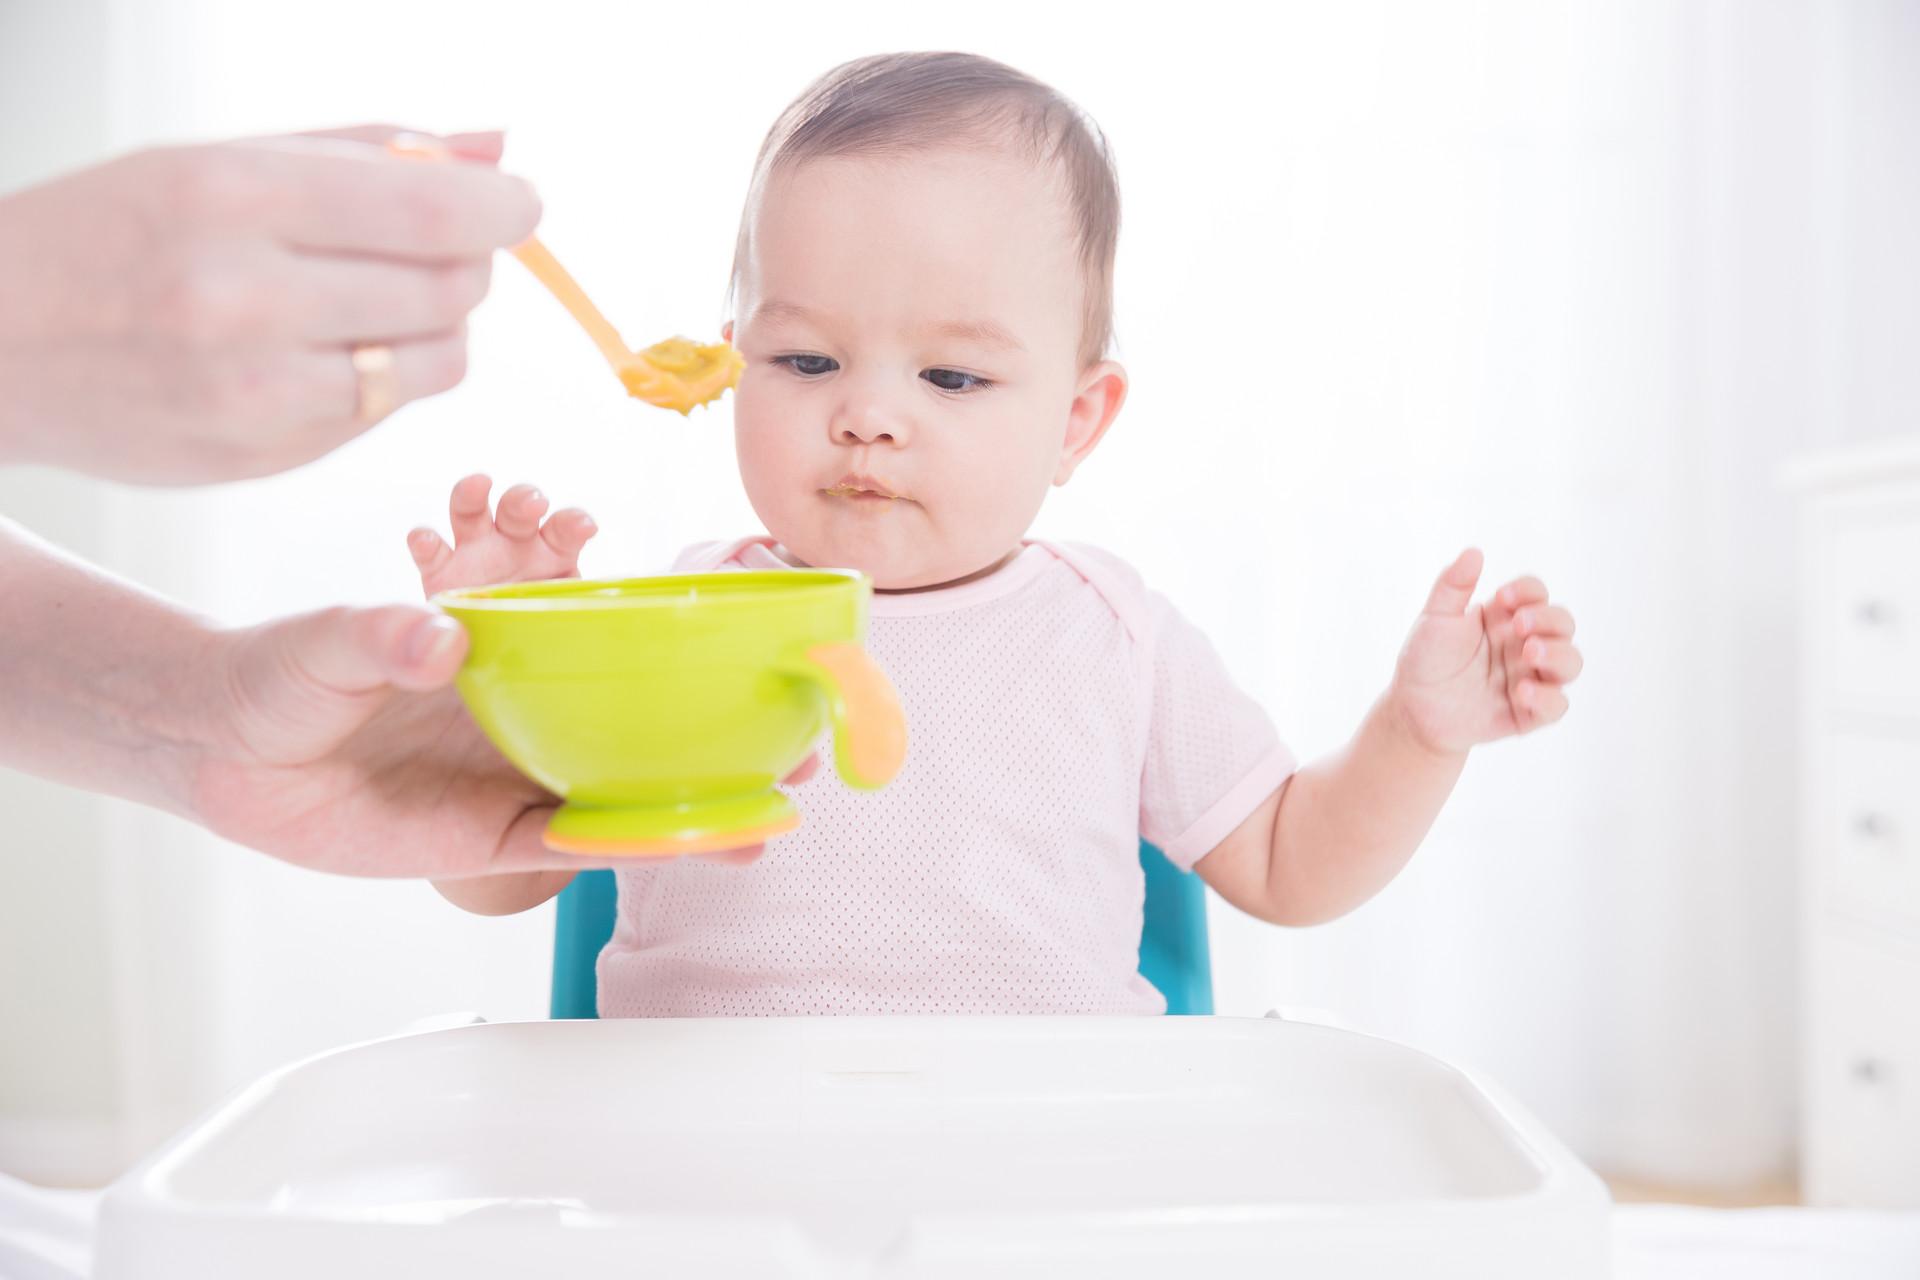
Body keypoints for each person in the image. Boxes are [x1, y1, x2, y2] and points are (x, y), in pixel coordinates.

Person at [405, 53, 1585, 1014]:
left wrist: (1419, 734)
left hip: (1039, 1162)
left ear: (1078, 419)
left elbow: (1289, 861)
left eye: (953, 376)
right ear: (733, 359)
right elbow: (491, 881)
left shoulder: (1112, 633)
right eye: (806, 360)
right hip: (713, 1166)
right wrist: (504, 658)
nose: (867, 413)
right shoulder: (680, 617)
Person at [0, 125, 713, 878]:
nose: (856, 416)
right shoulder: (701, 605)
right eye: (806, 360)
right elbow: (518, 848)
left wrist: (201, 720)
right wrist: (530, 698)